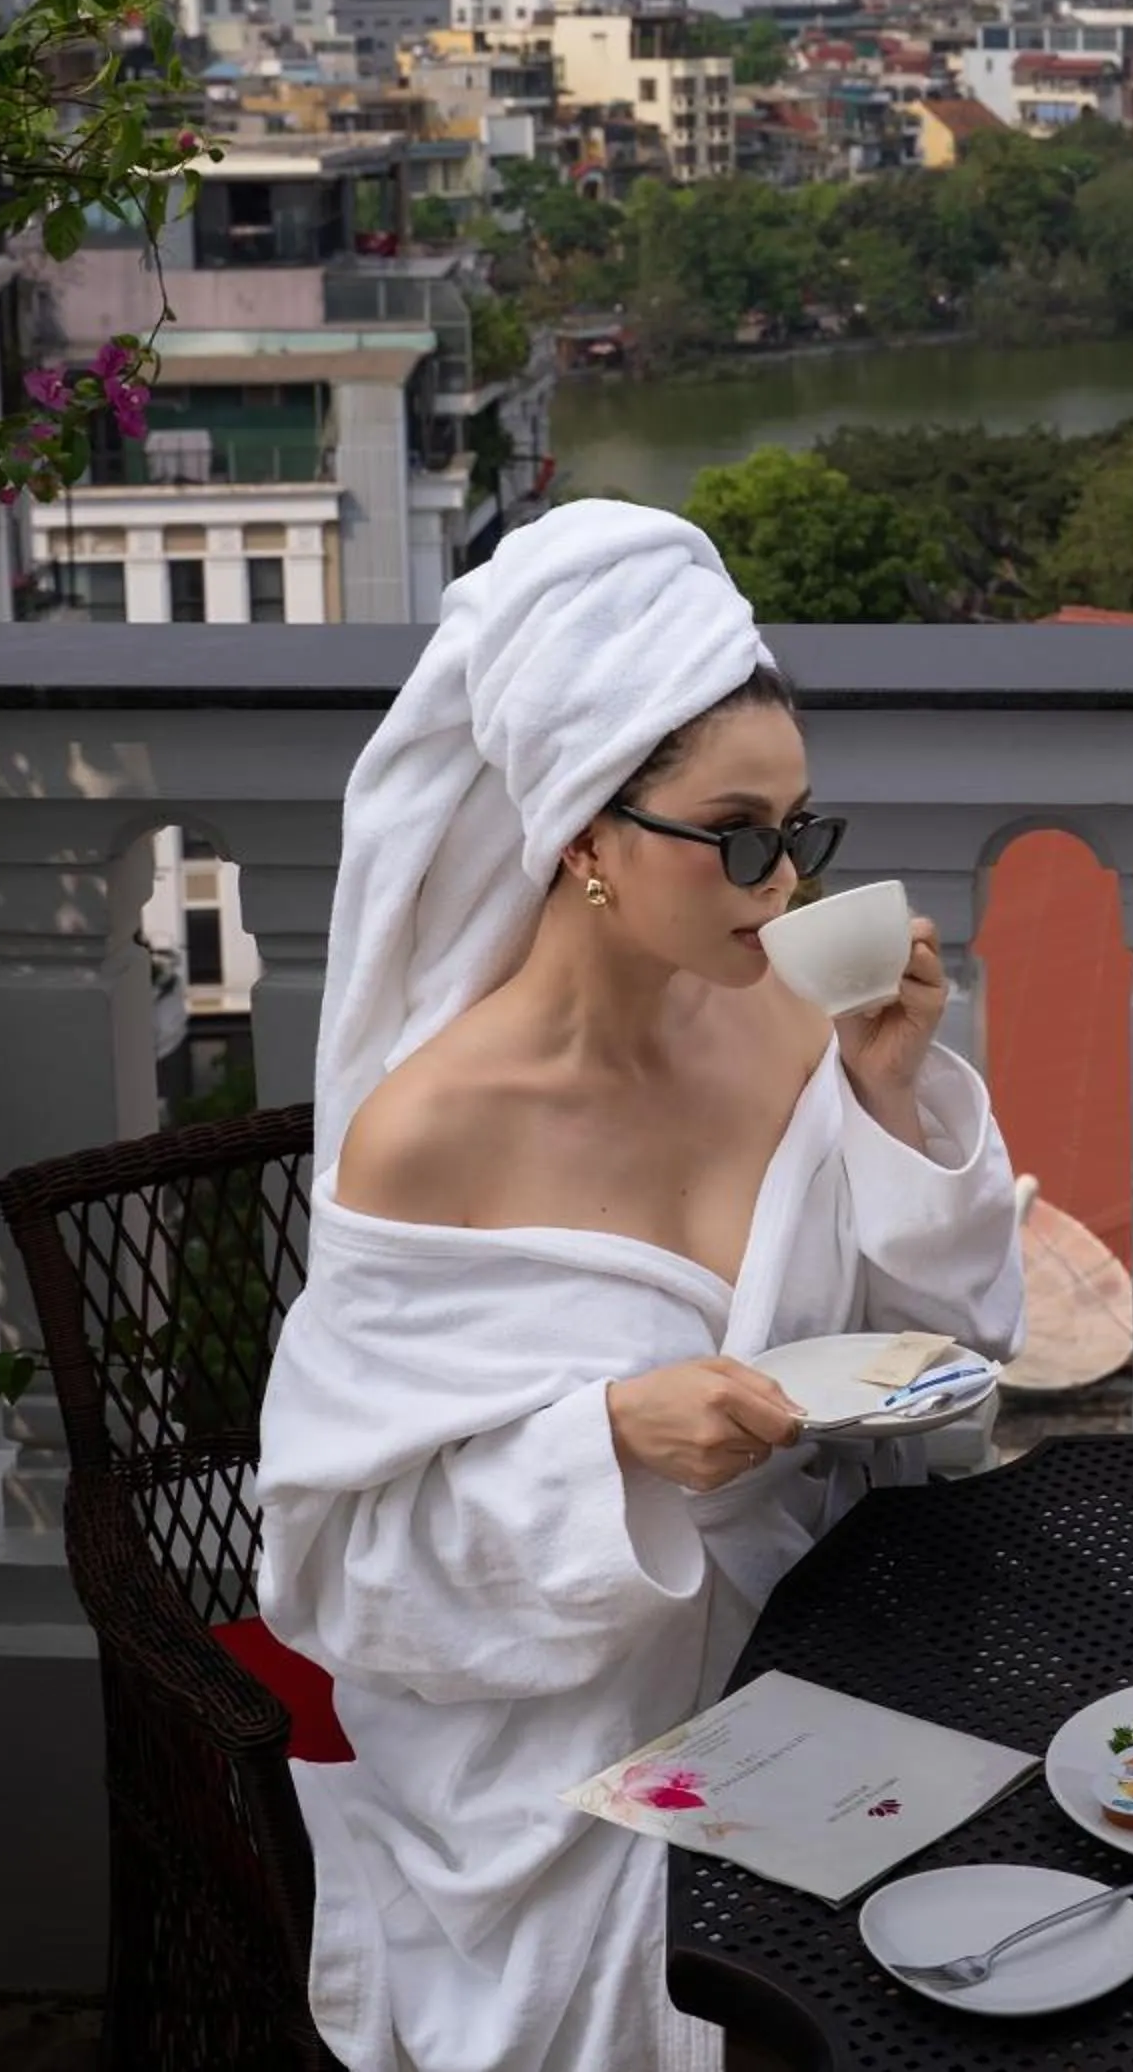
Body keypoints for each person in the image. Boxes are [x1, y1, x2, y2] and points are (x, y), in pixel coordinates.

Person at [256, 502, 1025, 2072]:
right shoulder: (438, 1133)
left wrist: (892, 1100)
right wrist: (603, 1442)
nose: (785, 882)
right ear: (587, 840)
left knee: (1042, 1915)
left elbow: (955, 1351)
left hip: (824, 1648)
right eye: (739, 834)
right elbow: (337, 1573)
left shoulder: (798, 1022)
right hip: (560, 1739)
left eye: (803, 830)